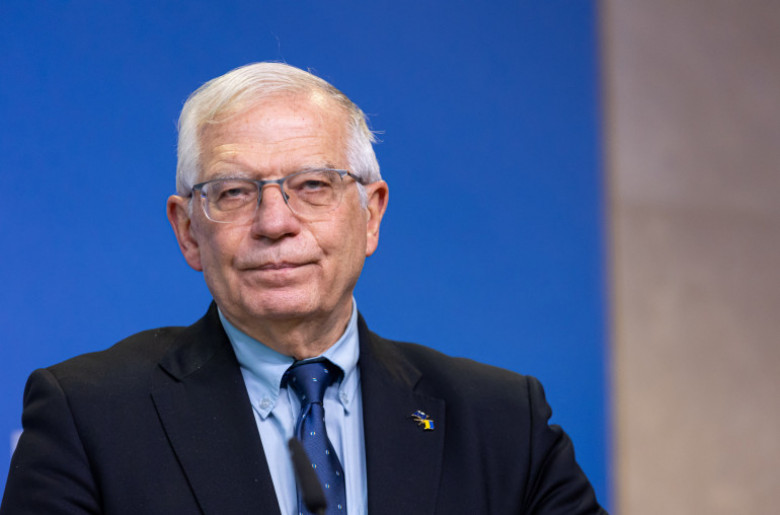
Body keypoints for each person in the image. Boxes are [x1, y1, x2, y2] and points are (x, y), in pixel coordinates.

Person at [0, 62, 606, 514]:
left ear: (371, 214)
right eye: (233, 192)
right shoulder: (88, 417)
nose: (275, 222)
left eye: (313, 185)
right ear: (187, 232)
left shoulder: (504, 422)